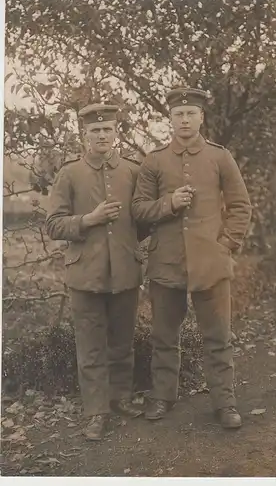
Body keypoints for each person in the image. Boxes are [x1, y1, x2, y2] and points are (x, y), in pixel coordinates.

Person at [132, 88, 252, 428]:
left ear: (201, 118)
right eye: (178, 115)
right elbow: (139, 210)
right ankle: (163, 396)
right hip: (166, 263)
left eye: (190, 114)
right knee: (164, 335)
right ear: (170, 120)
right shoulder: (155, 160)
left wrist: (226, 244)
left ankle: (225, 403)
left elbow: (241, 206)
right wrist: (168, 204)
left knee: (218, 336)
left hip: (210, 264)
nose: (184, 120)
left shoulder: (219, 157)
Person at [46, 103, 146, 441]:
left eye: (107, 130)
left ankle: (120, 398)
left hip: (125, 272)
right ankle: (96, 412)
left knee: (121, 341)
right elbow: (54, 224)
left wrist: (128, 246)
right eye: (94, 131)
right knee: (90, 347)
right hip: (85, 276)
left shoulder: (132, 171)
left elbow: (142, 221)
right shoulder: (70, 173)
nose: (101, 135)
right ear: (83, 134)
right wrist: (89, 220)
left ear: (116, 132)